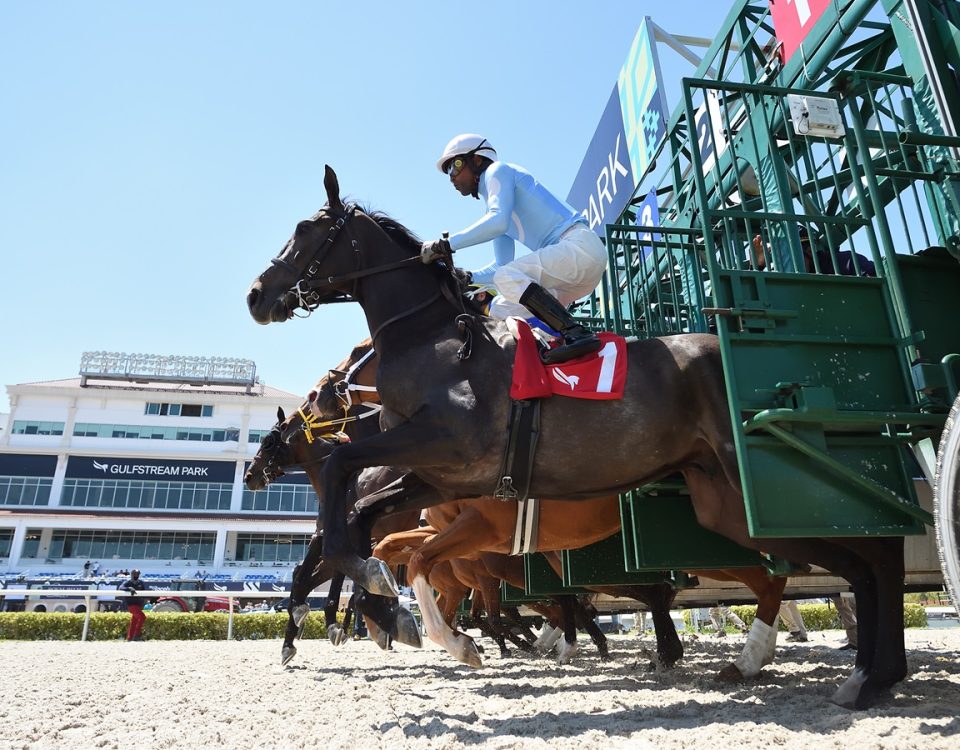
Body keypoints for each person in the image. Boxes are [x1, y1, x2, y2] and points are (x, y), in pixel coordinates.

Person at [422, 134, 608, 364]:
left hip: (579, 247)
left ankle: (577, 334)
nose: (452, 177)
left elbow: (498, 224)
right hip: (575, 273)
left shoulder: (497, 171)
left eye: (455, 166)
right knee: (500, 307)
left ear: (477, 160)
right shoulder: (495, 206)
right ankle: (556, 345)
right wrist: (469, 277)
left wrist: (447, 245)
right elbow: (501, 264)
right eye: (449, 171)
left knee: (505, 278)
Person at [751, 227, 876, 276]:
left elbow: (875, 277)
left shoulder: (845, 261)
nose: (786, 264)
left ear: (810, 252)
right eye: (781, 258)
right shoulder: (782, 276)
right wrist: (757, 267)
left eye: (789, 256)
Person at [119, 569, 150, 642]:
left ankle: (129, 638)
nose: (136, 576)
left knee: (134, 622)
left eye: (137, 574)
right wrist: (129, 588)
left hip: (139, 605)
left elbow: (143, 592)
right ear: (132, 575)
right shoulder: (127, 582)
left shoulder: (141, 583)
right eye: (135, 574)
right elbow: (121, 588)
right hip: (131, 605)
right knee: (142, 617)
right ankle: (137, 635)